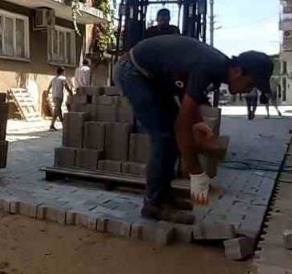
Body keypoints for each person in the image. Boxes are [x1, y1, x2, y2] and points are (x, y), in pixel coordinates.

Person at [117, 35, 273, 221]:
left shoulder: (218, 69)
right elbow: (181, 126)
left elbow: (189, 97)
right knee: (165, 136)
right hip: (134, 72)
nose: (249, 91)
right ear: (238, 71)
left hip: (152, 77)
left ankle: (163, 196)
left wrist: (198, 123)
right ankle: (153, 204)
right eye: (250, 84)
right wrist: (196, 174)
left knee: (171, 134)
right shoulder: (209, 67)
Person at [47, 67, 73, 131]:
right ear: (62, 72)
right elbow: (66, 86)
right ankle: (52, 125)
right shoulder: (63, 78)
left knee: (58, 110)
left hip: (54, 96)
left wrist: (47, 93)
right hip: (59, 96)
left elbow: (49, 87)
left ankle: (62, 124)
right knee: (57, 110)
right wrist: (71, 93)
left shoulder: (53, 78)